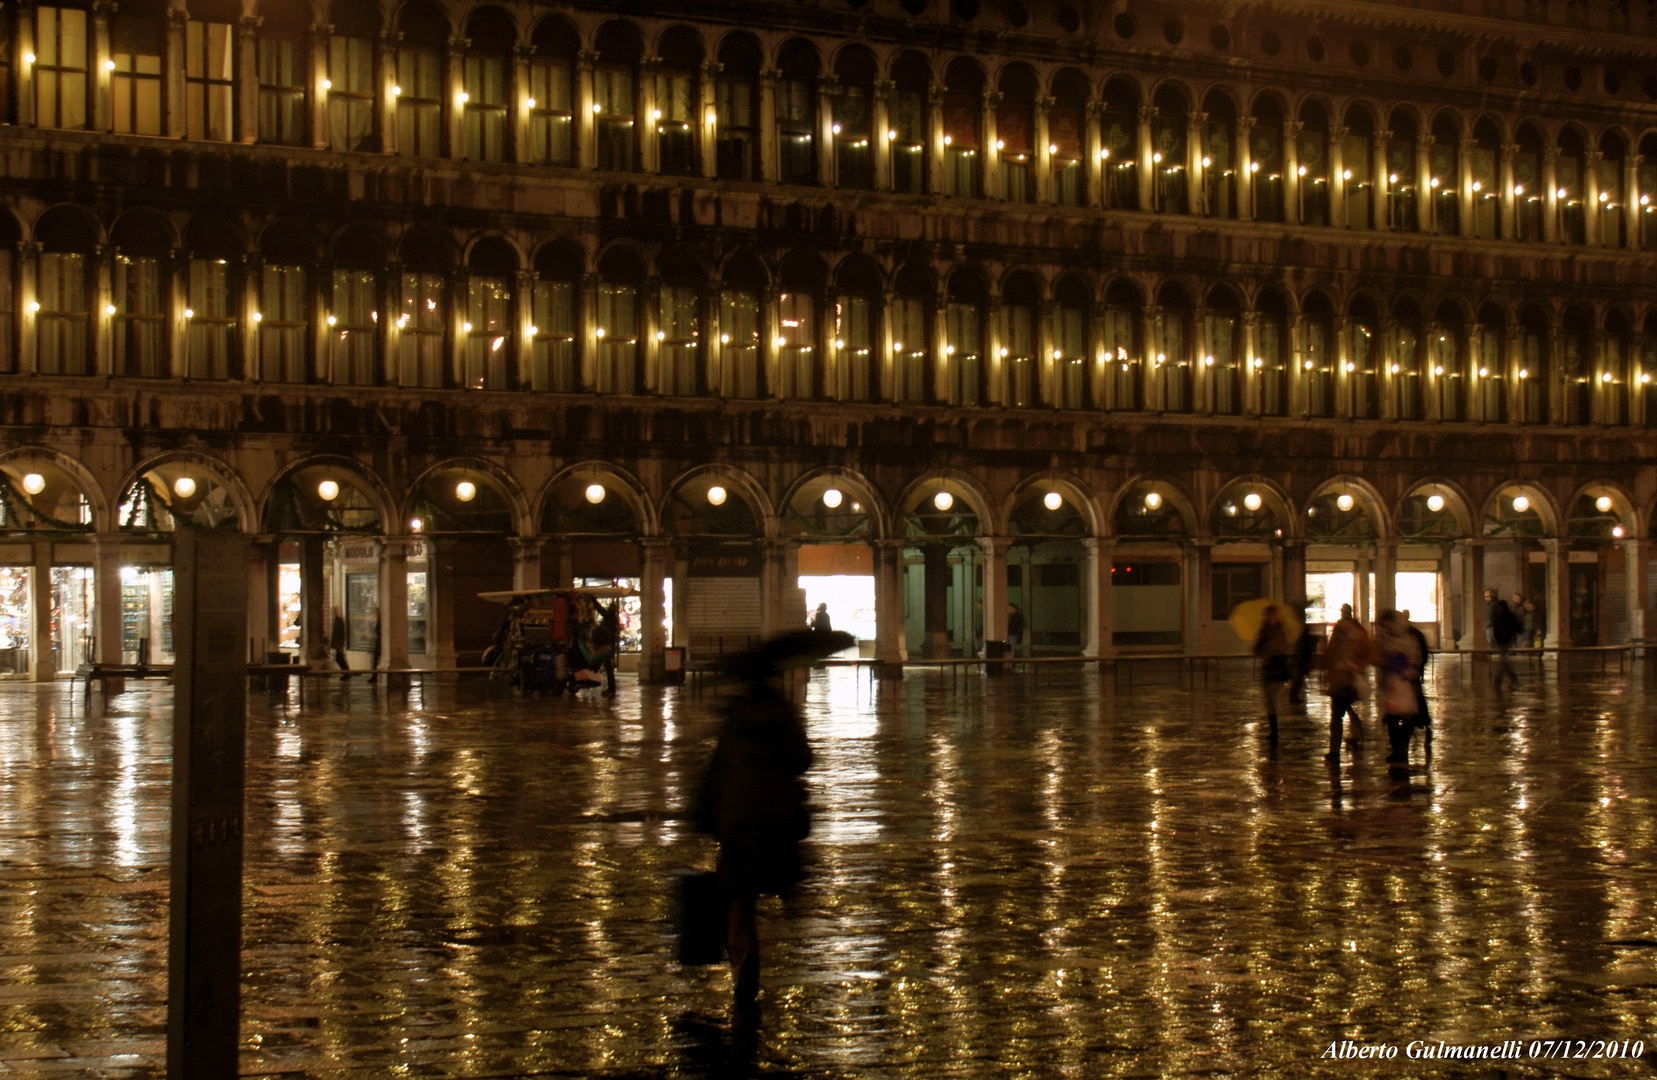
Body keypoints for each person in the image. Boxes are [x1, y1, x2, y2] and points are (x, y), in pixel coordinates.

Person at [696, 659, 813, 1027]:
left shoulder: (733, 721)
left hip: (737, 824)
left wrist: (704, 816)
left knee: (739, 900)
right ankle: (792, 904)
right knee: (777, 875)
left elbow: (715, 772)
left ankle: (746, 966)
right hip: (774, 822)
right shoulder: (782, 716)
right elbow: (803, 760)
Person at [1322, 604, 1377, 765]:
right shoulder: (1338, 633)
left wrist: (1357, 665)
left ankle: (1343, 744)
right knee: (1338, 714)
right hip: (1339, 680)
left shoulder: (1357, 633)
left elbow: (1370, 652)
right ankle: (1335, 750)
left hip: (1350, 680)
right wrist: (1327, 672)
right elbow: (1330, 654)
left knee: (1342, 711)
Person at [1375, 611, 1423, 764]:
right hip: (1392, 682)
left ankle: (1402, 748)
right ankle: (1397, 750)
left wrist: (1408, 672)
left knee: (1407, 717)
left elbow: (1415, 658)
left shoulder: (1408, 639)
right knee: (1392, 718)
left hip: (1405, 681)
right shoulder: (1386, 638)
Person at [1252, 604, 1292, 740]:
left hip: (1278, 668)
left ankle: (1275, 730)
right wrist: (1263, 643)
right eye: (1270, 615)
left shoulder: (1281, 630)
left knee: (1273, 699)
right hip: (1267, 668)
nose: (1272, 618)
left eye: (1274, 615)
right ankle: (1273, 730)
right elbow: (1256, 649)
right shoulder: (1263, 631)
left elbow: (1284, 647)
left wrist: (1273, 649)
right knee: (1269, 701)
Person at [1400, 609, 1431, 745]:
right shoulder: (1414, 634)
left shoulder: (1406, 636)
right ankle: (1422, 719)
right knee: (1416, 697)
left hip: (1408, 674)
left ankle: (1415, 720)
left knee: (1413, 698)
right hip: (1411, 673)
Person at [1288, 606, 1322, 707]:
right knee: (1298, 678)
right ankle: (1293, 697)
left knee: (1299, 678)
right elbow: (1304, 641)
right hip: (1301, 656)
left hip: (1302, 656)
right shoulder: (1301, 627)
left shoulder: (1300, 626)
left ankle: (1294, 697)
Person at [1490, 598, 1522, 691]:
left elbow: (1515, 627)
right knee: (1504, 663)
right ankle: (1514, 681)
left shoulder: (1507, 616)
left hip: (1506, 641)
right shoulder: (1497, 617)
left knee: (1502, 663)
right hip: (1501, 641)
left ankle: (1498, 683)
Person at [330, 612, 351, 677]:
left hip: (338, 644)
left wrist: (337, 643)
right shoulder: (337, 621)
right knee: (339, 658)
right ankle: (346, 673)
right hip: (338, 644)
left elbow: (337, 634)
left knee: (339, 658)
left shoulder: (338, 622)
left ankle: (346, 673)